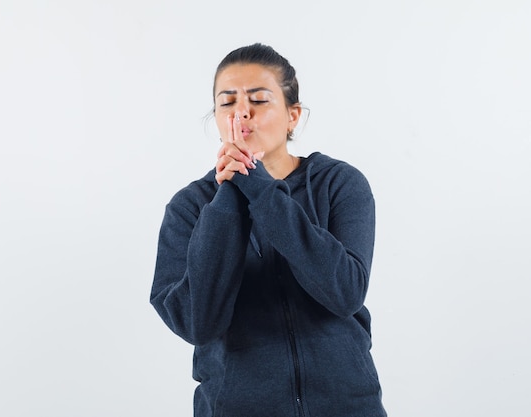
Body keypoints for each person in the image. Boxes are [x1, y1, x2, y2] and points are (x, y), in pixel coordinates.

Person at [150, 43, 387, 417]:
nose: (241, 112)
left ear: (293, 116)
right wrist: (231, 192)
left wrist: (261, 190)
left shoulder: (339, 184)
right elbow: (197, 323)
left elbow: (345, 292)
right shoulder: (191, 207)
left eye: (258, 100)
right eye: (227, 102)